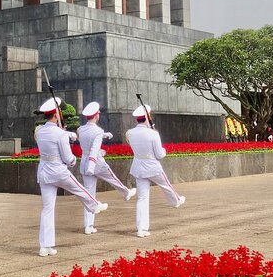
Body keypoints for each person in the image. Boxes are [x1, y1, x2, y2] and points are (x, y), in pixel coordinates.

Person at [35, 97, 108, 257]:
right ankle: (94, 205)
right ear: (56, 115)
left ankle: (45, 247)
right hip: (58, 171)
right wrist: (73, 159)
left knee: (47, 209)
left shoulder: (39, 131)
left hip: (44, 171)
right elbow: (68, 159)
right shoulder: (60, 134)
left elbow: (51, 134)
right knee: (80, 189)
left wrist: (65, 133)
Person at [126, 104, 185, 238]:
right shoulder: (153, 134)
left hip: (138, 167)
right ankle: (175, 201)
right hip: (152, 166)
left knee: (142, 198)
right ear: (147, 117)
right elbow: (160, 154)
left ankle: (141, 228)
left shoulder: (130, 133)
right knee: (166, 185)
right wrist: (162, 147)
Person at [78, 102, 136, 235]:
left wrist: (104, 135)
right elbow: (94, 149)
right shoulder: (98, 131)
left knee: (89, 195)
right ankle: (126, 193)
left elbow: (88, 138)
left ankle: (88, 225)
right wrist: (92, 167)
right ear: (96, 116)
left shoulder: (81, 129)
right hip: (96, 162)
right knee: (112, 178)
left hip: (84, 162)